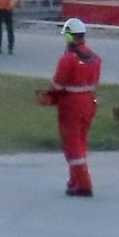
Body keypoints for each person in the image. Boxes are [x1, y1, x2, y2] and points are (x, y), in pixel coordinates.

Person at [39, 17, 102, 197]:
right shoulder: (95, 58)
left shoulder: (68, 59)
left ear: (69, 36)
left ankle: (83, 184)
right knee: (81, 142)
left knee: (72, 145)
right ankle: (74, 180)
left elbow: (58, 84)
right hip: (89, 102)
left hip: (71, 104)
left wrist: (49, 95)